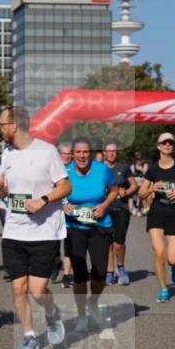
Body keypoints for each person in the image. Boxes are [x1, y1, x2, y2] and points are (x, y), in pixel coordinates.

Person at [0, 106, 70, 349]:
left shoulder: (47, 151)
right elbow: (8, 191)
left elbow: (65, 186)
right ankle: (29, 337)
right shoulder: (7, 154)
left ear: (14, 126)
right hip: (14, 231)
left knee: (37, 291)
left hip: (44, 232)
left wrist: (43, 200)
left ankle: (51, 313)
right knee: (18, 288)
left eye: (2, 125)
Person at [63, 139, 117, 333]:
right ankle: (81, 316)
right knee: (79, 275)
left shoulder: (102, 169)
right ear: (73, 154)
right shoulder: (65, 172)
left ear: (89, 153)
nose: (82, 156)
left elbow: (114, 190)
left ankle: (93, 302)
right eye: (78, 152)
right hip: (74, 227)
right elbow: (56, 193)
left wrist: (104, 205)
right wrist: (63, 205)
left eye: (85, 152)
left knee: (100, 273)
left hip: (99, 226)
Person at [137, 133, 175, 303]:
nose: (167, 145)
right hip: (156, 214)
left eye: (170, 142)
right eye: (164, 142)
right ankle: (163, 288)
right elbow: (141, 193)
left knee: (172, 258)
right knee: (159, 253)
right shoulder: (152, 170)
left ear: (172, 146)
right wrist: (152, 188)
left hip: (174, 215)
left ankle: (174, 267)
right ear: (159, 146)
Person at [103, 142, 138, 285]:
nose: (111, 153)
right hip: (104, 208)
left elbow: (134, 184)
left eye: (114, 151)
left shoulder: (123, 168)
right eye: (109, 151)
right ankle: (109, 272)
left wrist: (127, 191)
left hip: (121, 208)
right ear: (104, 153)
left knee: (118, 242)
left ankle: (121, 268)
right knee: (107, 244)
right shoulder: (99, 168)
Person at [55, 142, 75, 287]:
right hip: (54, 211)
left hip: (72, 212)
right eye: (64, 154)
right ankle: (56, 262)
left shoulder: (76, 168)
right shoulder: (53, 168)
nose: (67, 157)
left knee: (69, 245)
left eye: (69, 154)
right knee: (53, 245)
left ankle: (67, 275)